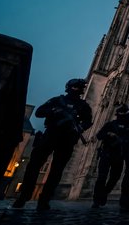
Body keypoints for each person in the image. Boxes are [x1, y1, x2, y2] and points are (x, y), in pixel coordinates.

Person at [13, 78, 93, 211]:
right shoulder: (57, 101)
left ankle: (45, 199)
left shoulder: (83, 106)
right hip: (51, 134)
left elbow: (88, 121)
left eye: (80, 88)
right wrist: (54, 111)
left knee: (56, 171)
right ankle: (24, 196)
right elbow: (39, 112)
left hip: (67, 139)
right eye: (75, 87)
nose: (78, 90)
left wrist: (79, 127)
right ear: (69, 88)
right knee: (34, 165)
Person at [91, 105, 129, 208]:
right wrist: (108, 134)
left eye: (125, 113)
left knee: (115, 177)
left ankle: (104, 193)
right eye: (121, 113)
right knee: (102, 177)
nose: (123, 115)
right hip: (107, 153)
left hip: (119, 155)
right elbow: (99, 135)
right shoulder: (110, 125)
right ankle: (96, 200)